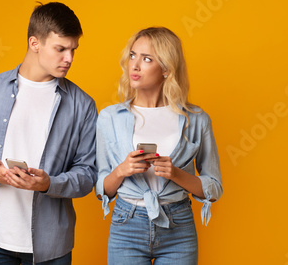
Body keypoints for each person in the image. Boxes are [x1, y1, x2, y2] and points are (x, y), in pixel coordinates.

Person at [0, 2, 98, 265]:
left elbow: (88, 174)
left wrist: (49, 184)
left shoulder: (82, 105)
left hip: (51, 248)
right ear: (35, 43)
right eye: (60, 49)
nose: (69, 58)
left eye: (73, 49)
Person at [95, 27, 223, 264]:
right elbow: (102, 189)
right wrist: (122, 170)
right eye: (133, 55)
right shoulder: (109, 118)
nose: (134, 65)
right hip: (126, 225)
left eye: (146, 59)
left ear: (166, 68)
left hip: (178, 226)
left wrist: (175, 174)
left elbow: (214, 189)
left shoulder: (195, 120)